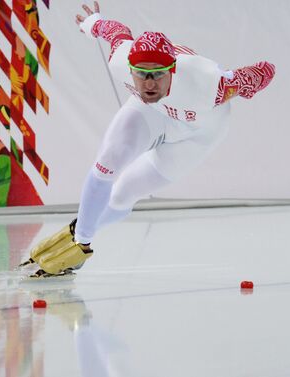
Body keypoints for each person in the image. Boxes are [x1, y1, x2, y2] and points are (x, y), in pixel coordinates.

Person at [20, 1, 276, 277]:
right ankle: (80, 244)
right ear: (130, 68)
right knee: (107, 163)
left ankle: (83, 231)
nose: (149, 83)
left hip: (197, 134)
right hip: (151, 112)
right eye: (141, 74)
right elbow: (116, 31)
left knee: (124, 193)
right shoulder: (120, 58)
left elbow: (267, 69)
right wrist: (93, 22)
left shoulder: (207, 84)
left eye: (157, 75)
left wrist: (243, 81)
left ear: (173, 71)